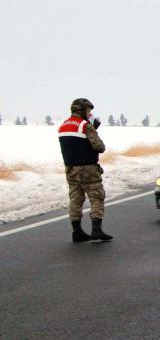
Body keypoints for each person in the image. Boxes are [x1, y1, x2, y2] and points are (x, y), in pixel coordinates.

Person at [57, 98, 113, 242]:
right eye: (88, 111)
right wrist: (93, 129)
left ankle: (76, 231)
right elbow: (99, 147)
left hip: (70, 168)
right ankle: (96, 230)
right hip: (88, 169)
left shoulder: (63, 126)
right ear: (81, 111)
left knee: (76, 199)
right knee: (96, 197)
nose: (89, 114)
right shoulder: (85, 125)